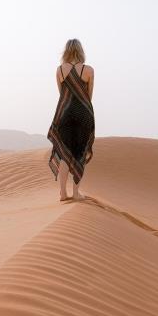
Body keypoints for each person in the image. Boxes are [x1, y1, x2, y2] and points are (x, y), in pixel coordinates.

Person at [47, 39, 95, 201]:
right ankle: (75, 192)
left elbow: (62, 94)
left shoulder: (60, 70)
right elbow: (89, 96)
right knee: (79, 152)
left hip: (64, 114)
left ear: (66, 51)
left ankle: (62, 193)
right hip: (83, 115)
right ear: (81, 51)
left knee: (64, 153)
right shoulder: (89, 70)